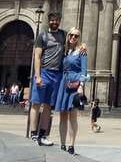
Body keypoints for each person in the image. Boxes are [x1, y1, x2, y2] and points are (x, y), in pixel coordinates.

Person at [30, 11, 66, 147]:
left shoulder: (63, 35)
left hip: (56, 74)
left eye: (57, 20)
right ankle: (34, 134)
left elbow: (75, 41)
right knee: (36, 103)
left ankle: (43, 135)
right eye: (52, 20)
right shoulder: (42, 36)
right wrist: (37, 75)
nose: (54, 22)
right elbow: (37, 56)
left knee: (48, 106)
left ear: (60, 21)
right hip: (44, 73)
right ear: (49, 21)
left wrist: (83, 47)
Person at [54, 26, 89, 156]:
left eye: (76, 36)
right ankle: (62, 144)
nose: (73, 37)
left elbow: (84, 71)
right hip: (64, 84)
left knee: (72, 116)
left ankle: (71, 145)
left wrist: (81, 85)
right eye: (71, 35)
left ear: (79, 38)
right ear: (68, 36)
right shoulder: (65, 51)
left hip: (74, 85)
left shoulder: (82, 52)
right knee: (63, 115)